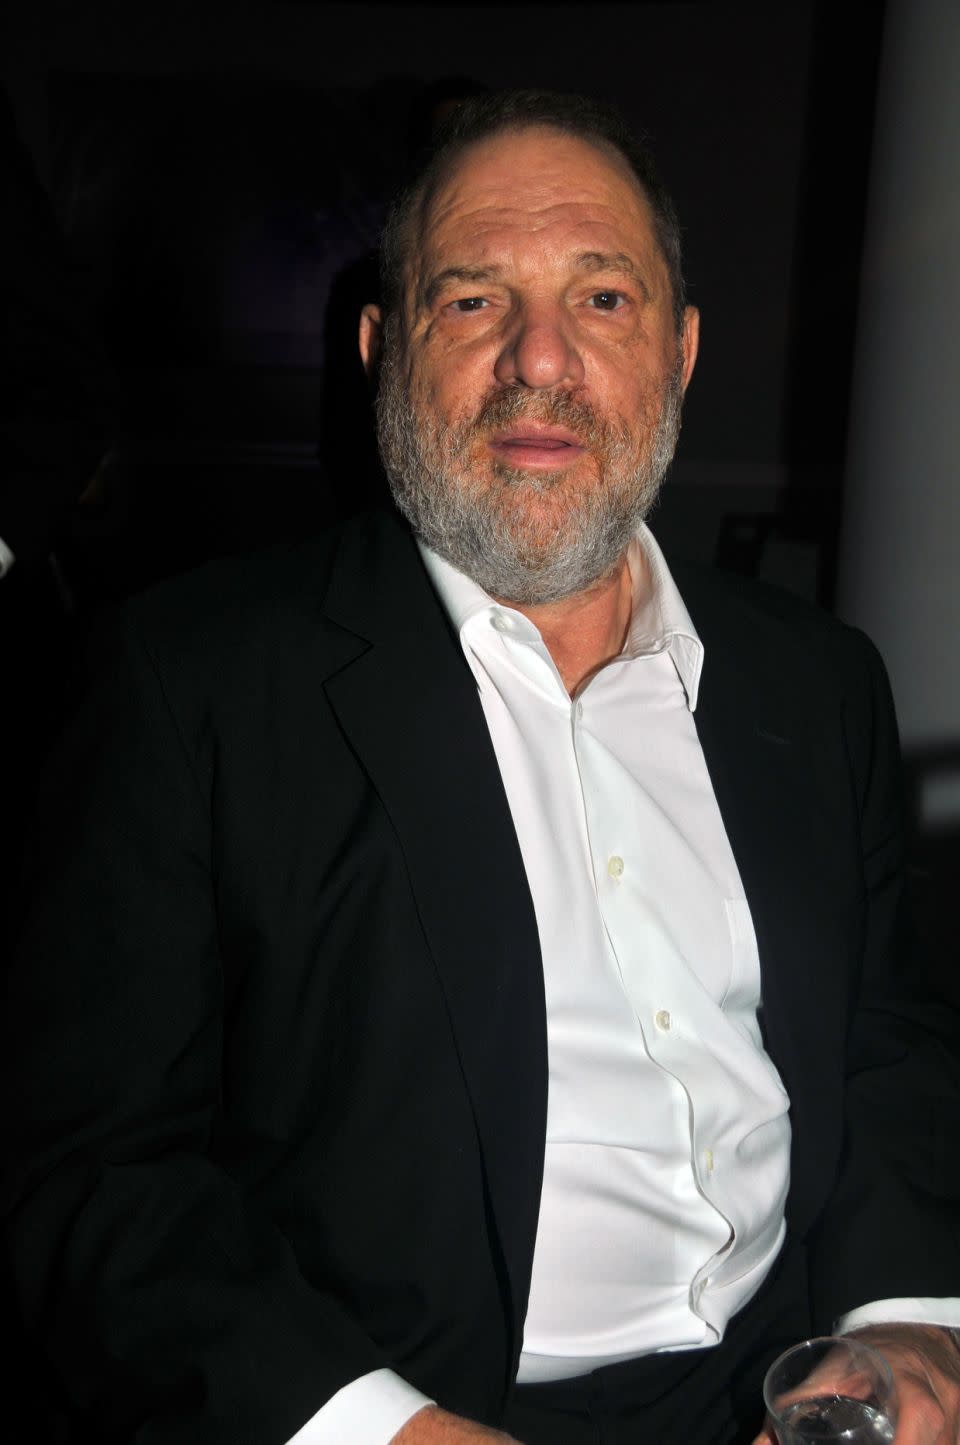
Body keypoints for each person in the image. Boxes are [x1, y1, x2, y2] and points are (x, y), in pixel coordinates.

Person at [3, 90, 960, 1445]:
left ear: (682, 353)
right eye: (471, 302)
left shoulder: (824, 682)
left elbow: (891, 1047)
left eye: (606, 300)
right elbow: (95, 1176)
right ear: (383, 348)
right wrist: (379, 1430)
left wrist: (908, 1323)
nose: (542, 360)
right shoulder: (190, 686)